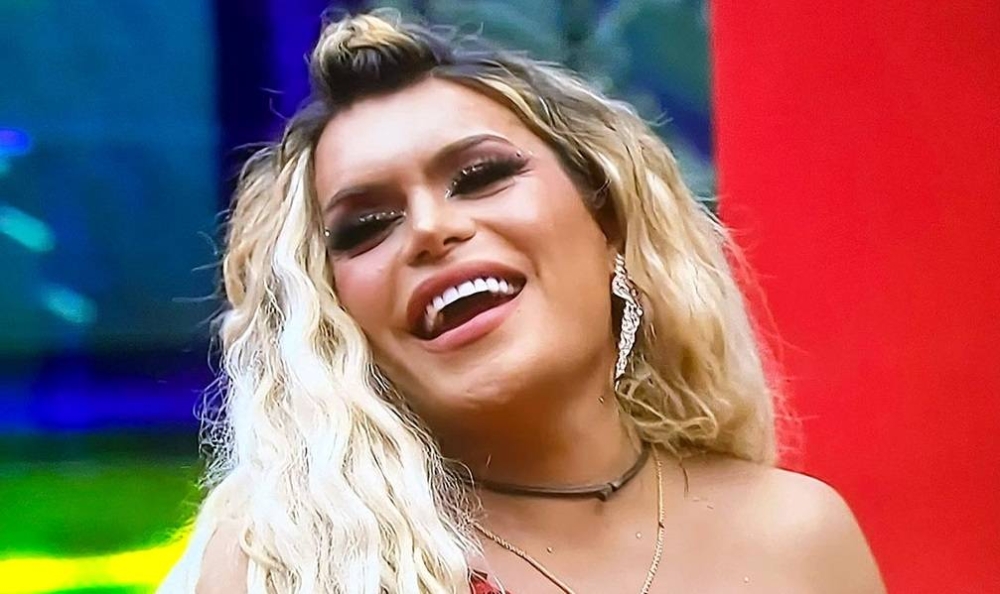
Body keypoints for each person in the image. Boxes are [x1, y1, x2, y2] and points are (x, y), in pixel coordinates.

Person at [159, 10, 886, 594]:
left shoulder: (798, 538)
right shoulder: (286, 562)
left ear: (609, 222)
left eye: (480, 177)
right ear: (337, 313)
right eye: (366, 226)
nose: (431, 229)